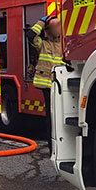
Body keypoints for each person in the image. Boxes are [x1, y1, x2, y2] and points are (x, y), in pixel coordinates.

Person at [29, 14, 63, 152]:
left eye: (58, 27)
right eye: (54, 28)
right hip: (47, 86)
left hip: (62, 86)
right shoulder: (42, 44)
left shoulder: (64, 43)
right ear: (47, 31)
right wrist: (42, 21)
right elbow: (30, 36)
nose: (57, 30)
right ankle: (52, 148)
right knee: (52, 118)